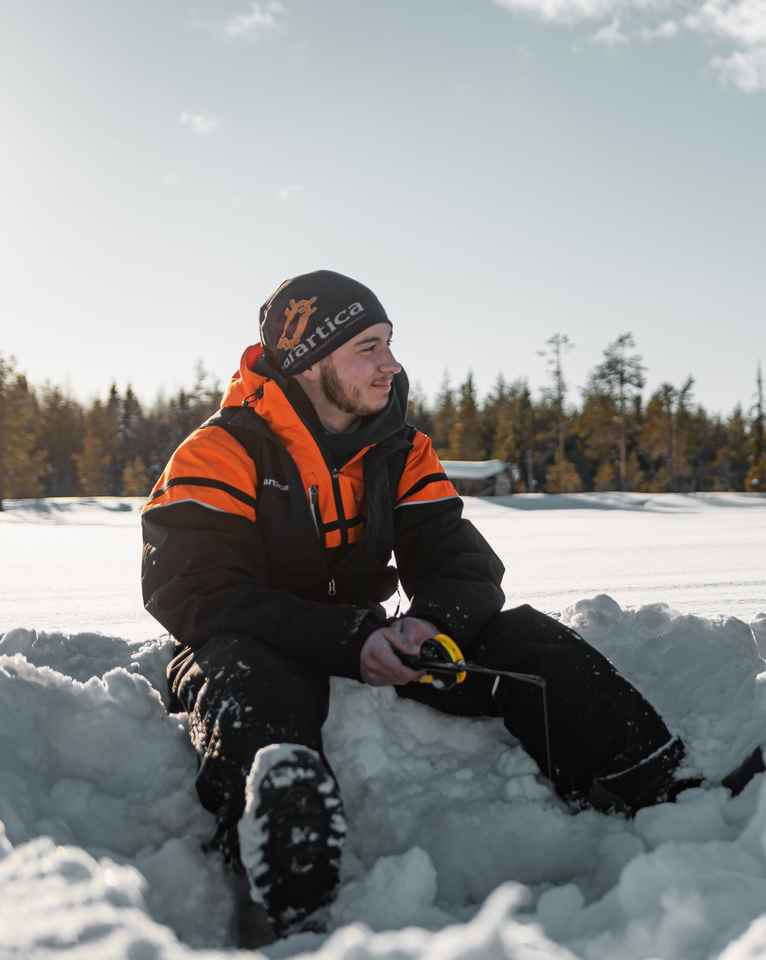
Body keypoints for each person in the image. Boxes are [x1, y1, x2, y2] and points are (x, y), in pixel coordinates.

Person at [141, 270, 711, 941]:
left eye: (389, 343)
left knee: (520, 635)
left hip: (368, 637)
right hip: (244, 642)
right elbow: (196, 592)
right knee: (252, 680)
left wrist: (431, 622)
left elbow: (458, 561)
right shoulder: (220, 450)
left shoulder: (400, 448)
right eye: (369, 348)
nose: (391, 364)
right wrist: (347, 638)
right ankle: (282, 873)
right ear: (310, 361)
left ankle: (662, 788)